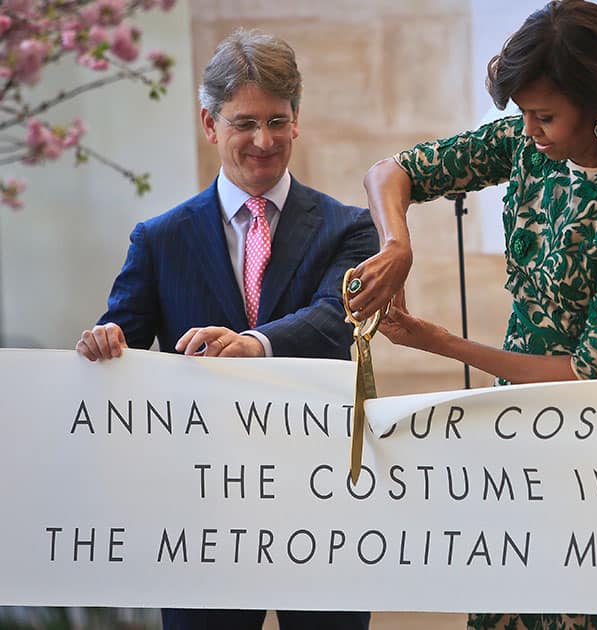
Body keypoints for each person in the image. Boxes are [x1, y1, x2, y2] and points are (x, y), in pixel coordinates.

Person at [351, 1, 597, 628]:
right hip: (519, 422)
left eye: (545, 115)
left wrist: (441, 342)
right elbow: (389, 173)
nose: (530, 129)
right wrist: (397, 244)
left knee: (595, 604)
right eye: (524, 113)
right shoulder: (526, 147)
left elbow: (589, 373)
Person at [74, 28, 376, 630]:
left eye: (277, 121)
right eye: (244, 123)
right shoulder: (159, 240)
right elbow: (120, 336)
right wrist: (100, 340)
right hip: (198, 514)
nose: (263, 141)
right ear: (210, 125)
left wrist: (255, 345)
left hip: (321, 508)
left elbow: (334, 319)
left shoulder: (351, 229)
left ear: (296, 121)